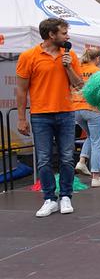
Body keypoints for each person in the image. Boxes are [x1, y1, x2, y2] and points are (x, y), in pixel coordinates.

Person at [17, 18, 83, 218]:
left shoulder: (70, 55)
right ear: (51, 35)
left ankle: (65, 196)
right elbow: (21, 90)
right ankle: (49, 199)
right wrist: (21, 118)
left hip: (65, 112)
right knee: (44, 159)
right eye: (64, 33)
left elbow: (78, 84)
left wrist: (68, 66)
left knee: (67, 157)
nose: (68, 36)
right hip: (40, 115)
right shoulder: (29, 56)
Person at [72, 47, 100, 186]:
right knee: (98, 142)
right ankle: (96, 177)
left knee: (91, 137)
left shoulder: (77, 69)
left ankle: (82, 161)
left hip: (76, 109)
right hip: (93, 109)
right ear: (97, 58)